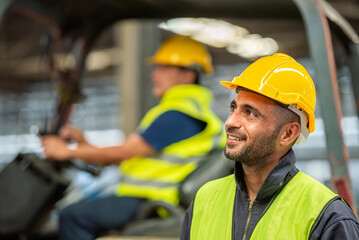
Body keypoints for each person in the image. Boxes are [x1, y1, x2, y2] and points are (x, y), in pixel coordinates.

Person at [42, 35, 226, 240]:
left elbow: (125, 151)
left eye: (165, 68)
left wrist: (65, 151)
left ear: (188, 74)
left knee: (72, 216)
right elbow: (129, 158)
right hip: (146, 196)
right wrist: (85, 145)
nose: (155, 74)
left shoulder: (179, 115)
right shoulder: (187, 112)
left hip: (151, 200)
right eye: (156, 67)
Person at [180, 53, 359, 240]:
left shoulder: (328, 217)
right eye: (234, 108)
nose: (230, 122)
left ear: (288, 134)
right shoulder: (205, 199)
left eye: (250, 113)